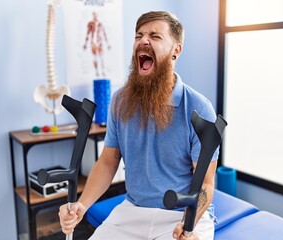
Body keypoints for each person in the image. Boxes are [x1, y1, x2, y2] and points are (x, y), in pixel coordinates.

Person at [59, 11, 219, 240]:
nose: (143, 40)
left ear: (176, 50)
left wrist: (188, 224)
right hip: (133, 212)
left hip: (182, 214)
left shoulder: (199, 109)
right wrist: (81, 206)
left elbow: (206, 182)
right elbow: (107, 162)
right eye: (139, 35)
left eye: (155, 36)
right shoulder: (120, 101)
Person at [83, 11, 111, 77]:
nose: (95, 16)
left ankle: (103, 71)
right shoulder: (90, 24)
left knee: (101, 58)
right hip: (93, 42)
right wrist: (85, 44)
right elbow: (88, 33)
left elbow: (104, 33)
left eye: (95, 14)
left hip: (99, 42)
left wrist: (107, 44)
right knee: (95, 57)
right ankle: (97, 72)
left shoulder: (100, 24)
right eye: (94, 15)